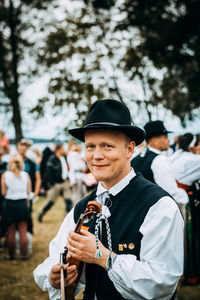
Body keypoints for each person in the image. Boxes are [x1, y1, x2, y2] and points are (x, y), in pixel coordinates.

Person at [33, 99, 184, 300]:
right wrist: (55, 275)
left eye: (107, 146)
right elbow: (55, 256)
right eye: (90, 146)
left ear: (130, 150)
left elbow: (162, 283)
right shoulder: (81, 208)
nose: (96, 156)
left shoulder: (158, 205)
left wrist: (103, 256)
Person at [131, 120, 189, 208]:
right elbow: (171, 191)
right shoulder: (159, 159)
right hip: (157, 210)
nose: (169, 140)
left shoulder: (135, 159)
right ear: (154, 140)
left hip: (139, 209)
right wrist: (186, 197)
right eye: (165, 137)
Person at [169, 133, 200, 285]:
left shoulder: (174, 156)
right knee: (187, 238)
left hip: (173, 198)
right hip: (183, 201)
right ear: (193, 146)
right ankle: (188, 273)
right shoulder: (193, 159)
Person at [1, 154, 31, 260]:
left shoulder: (5, 175)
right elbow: (28, 191)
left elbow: (3, 192)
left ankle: (11, 255)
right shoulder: (25, 175)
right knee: (23, 230)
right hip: (22, 204)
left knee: (10, 231)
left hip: (10, 204)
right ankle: (24, 255)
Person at [37, 143, 72, 222]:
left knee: (68, 200)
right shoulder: (52, 159)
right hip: (55, 184)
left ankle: (68, 218)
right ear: (59, 149)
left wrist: (67, 178)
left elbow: (66, 169)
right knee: (50, 202)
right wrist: (52, 184)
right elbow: (48, 173)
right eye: (63, 148)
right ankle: (41, 213)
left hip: (64, 182)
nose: (64, 150)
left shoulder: (63, 158)